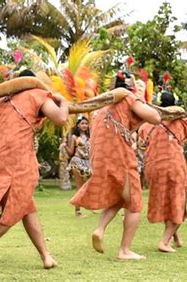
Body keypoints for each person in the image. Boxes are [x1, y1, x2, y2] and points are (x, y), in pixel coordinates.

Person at [0, 69, 68, 275]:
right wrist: (63, 102)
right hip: (18, 162)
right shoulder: (37, 94)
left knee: (26, 207)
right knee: (13, 211)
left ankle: (46, 255)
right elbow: (61, 119)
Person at [70, 72, 161, 260]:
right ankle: (125, 250)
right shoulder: (129, 98)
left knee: (119, 199)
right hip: (121, 156)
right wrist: (142, 99)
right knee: (134, 203)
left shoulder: (103, 107)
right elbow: (155, 118)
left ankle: (100, 229)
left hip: (101, 158)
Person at [138, 91, 187, 253]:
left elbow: (141, 144)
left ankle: (175, 237)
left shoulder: (147, 124)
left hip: (152, 167)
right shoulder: (181, 121)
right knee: (178, 204)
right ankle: (164, 242)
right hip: (173, 166)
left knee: (168, 202)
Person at [63, 116, 91, 218]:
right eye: (82, 123)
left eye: (86, 123)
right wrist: (64, 145)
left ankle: (91, 205)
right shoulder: (75, 137)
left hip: (88, 163)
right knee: (80, 187)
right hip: (77, 162)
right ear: (78, 125)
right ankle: (78, 211)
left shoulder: (90, 137)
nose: (84, 125)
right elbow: (70, 152)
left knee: (92, 184)